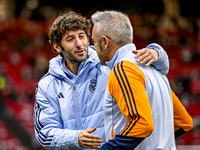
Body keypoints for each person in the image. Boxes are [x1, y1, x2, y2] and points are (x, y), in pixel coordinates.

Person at [34, 11, 171, 150]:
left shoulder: (110, 67)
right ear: (57, 46)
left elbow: (145, 64)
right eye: (70, 39)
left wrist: (157, 53)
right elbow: (44, 133)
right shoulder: (46, 86)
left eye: (82, 36)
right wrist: (75, 138)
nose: (79, 44)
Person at [91, 10, 193, 150]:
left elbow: (142, 123)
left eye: (94, 42)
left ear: (105, 42)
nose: (94, 48)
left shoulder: (122, 69)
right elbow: (184, 122)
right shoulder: (155, 69)